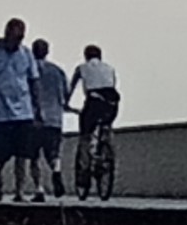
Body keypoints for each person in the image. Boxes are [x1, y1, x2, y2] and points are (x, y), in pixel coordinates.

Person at [0, 17, 41, 202]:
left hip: (24, 111)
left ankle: (20, 190)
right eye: (16, 37)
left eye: (21, 38)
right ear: (7, 34)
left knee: (22, 153)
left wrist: (37, 109)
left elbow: (33, 81)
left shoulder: (26, 54)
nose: (18, 41)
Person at [66, 43, 120, 178]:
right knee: (106, 125)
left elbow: (70, 89)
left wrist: (66, 104)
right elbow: (113, 84)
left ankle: (84, 169)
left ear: (86, 57)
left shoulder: (81, 68)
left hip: (94, 102)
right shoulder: (110, 68)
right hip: (112, 103)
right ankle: (107, 149)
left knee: (85, 136)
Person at [30, 38, 69, 200]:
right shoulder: (58, 71)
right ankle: (56, 170)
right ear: (47, 51)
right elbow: (65, 94)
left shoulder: (29, 70)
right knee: (53, 153)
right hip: (55, 118)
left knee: (34, 156)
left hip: (34, 119)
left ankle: (39, 189)